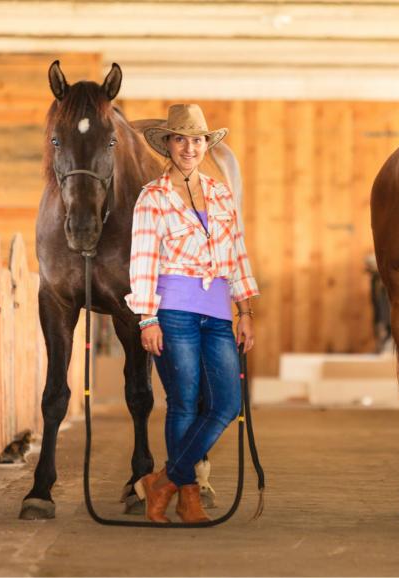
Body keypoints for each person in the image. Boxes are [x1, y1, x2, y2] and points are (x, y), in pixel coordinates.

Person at [125, 104, 259, 523]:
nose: (189, 147)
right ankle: (188, 496)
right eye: (180, 139)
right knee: (183, 403)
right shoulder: (153, 197)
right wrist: (146, 317)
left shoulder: (220, 194)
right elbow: (143, 259)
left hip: (218, 312)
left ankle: (161, 481)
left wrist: (246, 310)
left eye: (197, 139)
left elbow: (236, 253)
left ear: (207, 145)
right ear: (168, 145)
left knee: (225, 404)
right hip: (174, 312)